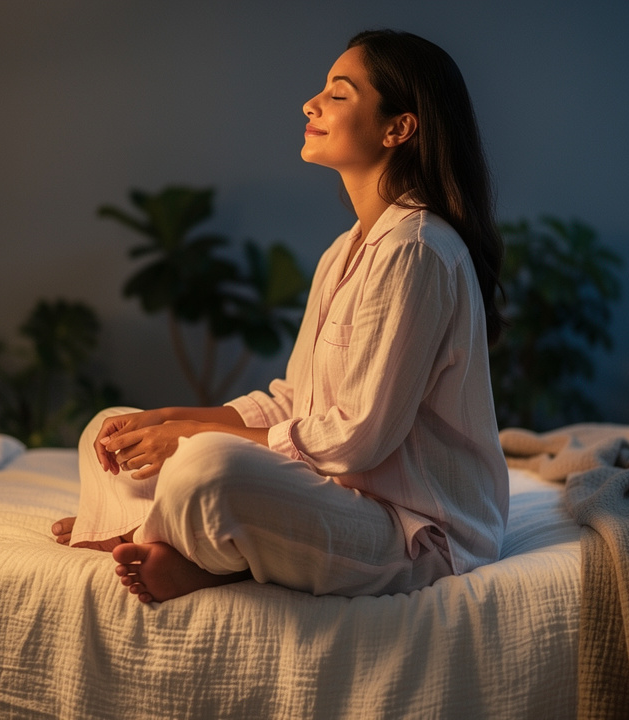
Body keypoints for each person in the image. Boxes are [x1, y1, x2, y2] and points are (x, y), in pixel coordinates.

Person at [52, 29, 509, 604]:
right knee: (111, 426)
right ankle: (180, 542)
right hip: (334, 493)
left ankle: (172, 544)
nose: (310, 104)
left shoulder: (416, 250)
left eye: (338, 94)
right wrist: (167, 417)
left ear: (398, 129)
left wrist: (191, 435)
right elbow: (296, 401)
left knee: (208, 467)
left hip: (411, 529)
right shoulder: (344, 252)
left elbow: (356, 441)